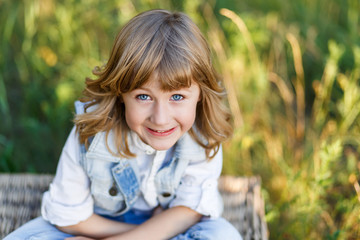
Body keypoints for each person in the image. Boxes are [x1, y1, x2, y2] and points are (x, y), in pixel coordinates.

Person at [5, 9, 242, 240]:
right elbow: (68, 218)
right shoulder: (91, 132)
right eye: (143, 97)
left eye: (177, 97)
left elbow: (189, 211)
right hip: (98, 224)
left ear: (200, 93)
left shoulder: (203, 134)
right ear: (120, 93)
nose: (160, 118)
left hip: (172, 228)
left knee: (224, 235)